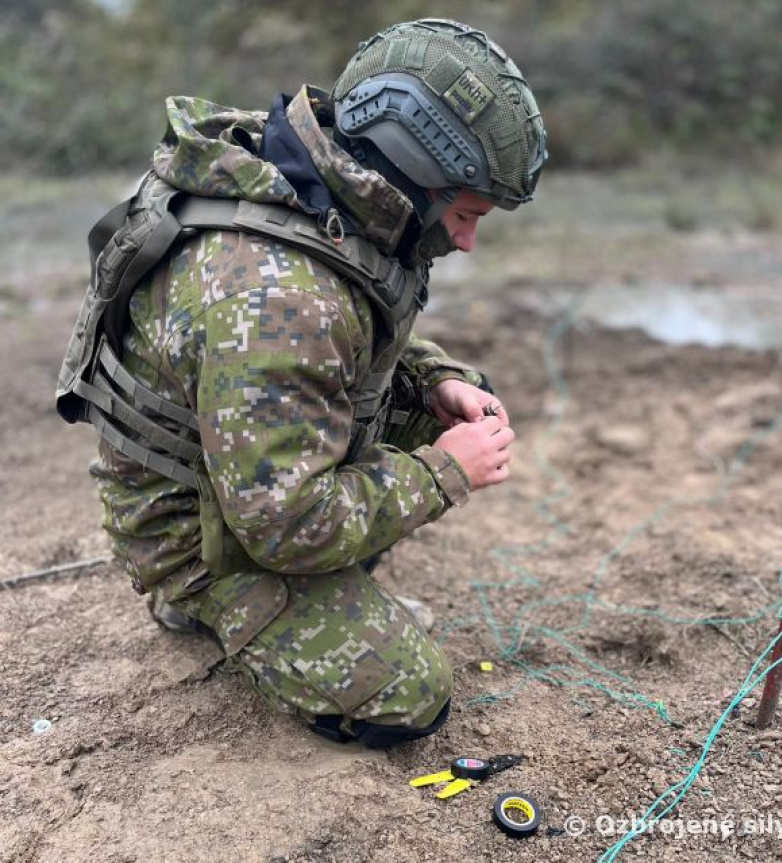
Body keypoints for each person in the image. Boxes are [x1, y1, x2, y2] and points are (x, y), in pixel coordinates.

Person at [56, 18, 546, 747]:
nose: (468, 240)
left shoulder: (316, 183)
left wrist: (434, 380)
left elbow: (347, 325)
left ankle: (311, 586)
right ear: (414, 171)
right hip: (195, 528)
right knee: (410, 697)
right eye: (467, 213)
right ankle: (200, 602)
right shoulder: (277, 297)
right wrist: (443, 474)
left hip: (238, 476)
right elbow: (288, 524)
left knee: (453, 407)